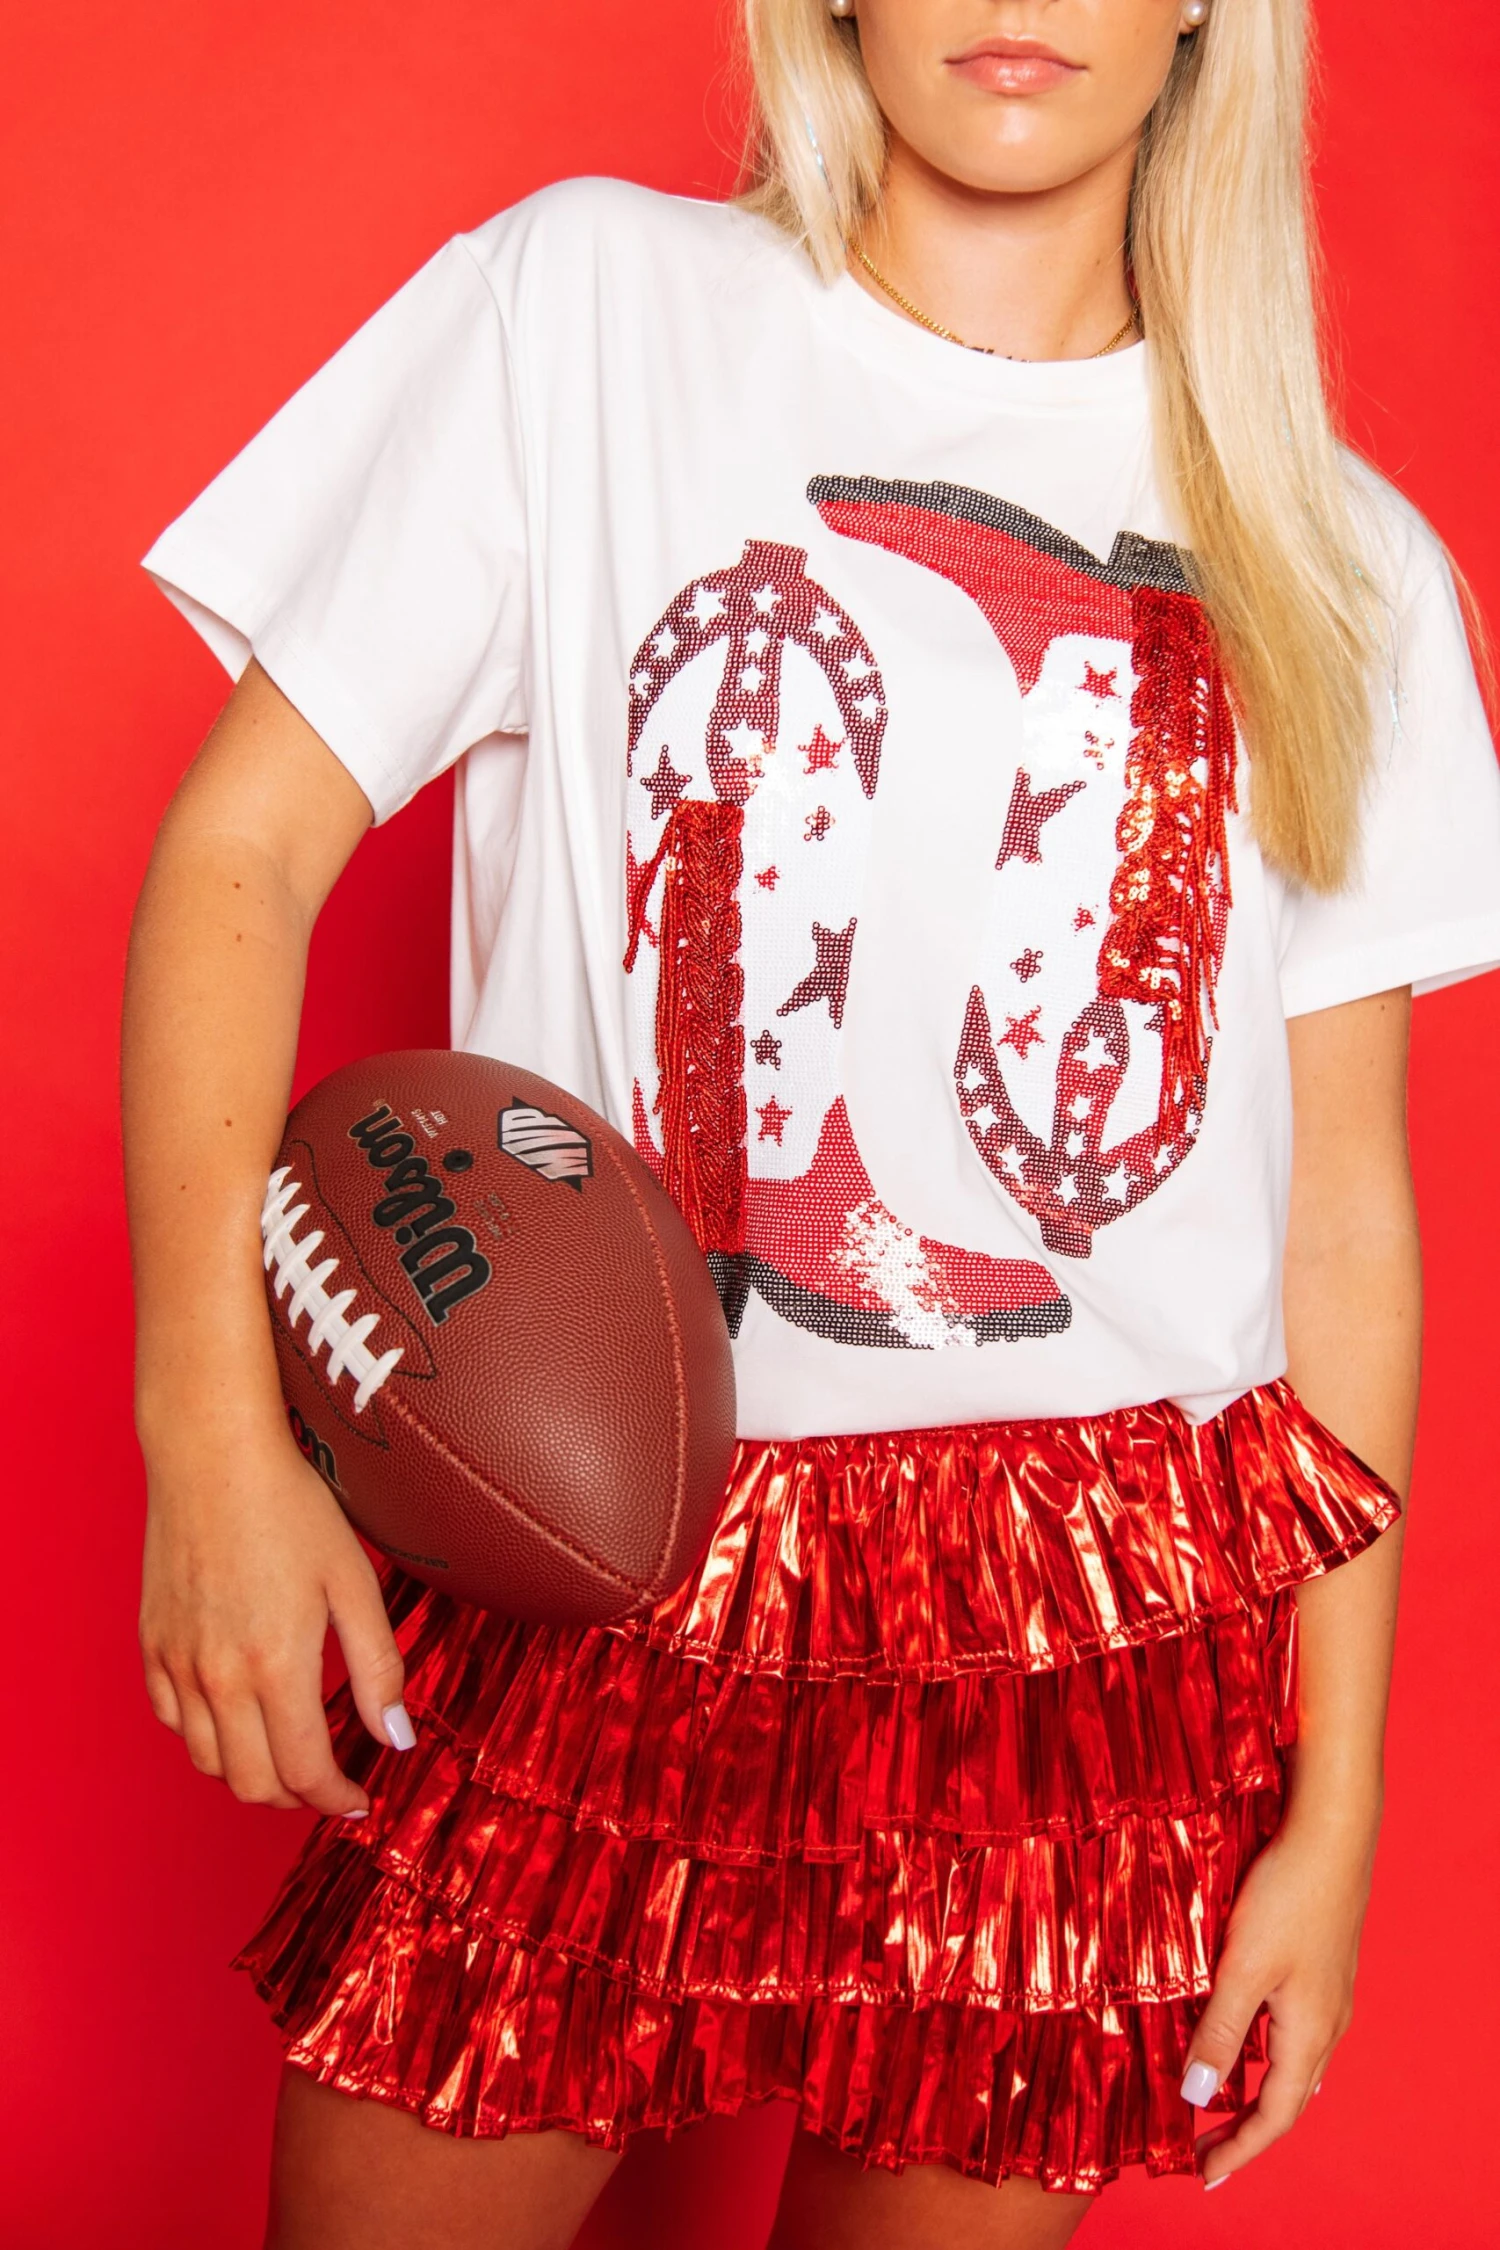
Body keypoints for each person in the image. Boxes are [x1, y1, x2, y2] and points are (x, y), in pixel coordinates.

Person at [124, 2, 1500, 2244]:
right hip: (603, 1550)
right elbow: (239, 859)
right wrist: (215, 1427)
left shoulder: (1346, 557)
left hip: (1082, 1663)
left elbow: (1342, 1223)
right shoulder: (585, 314)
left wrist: (1335, 1806)